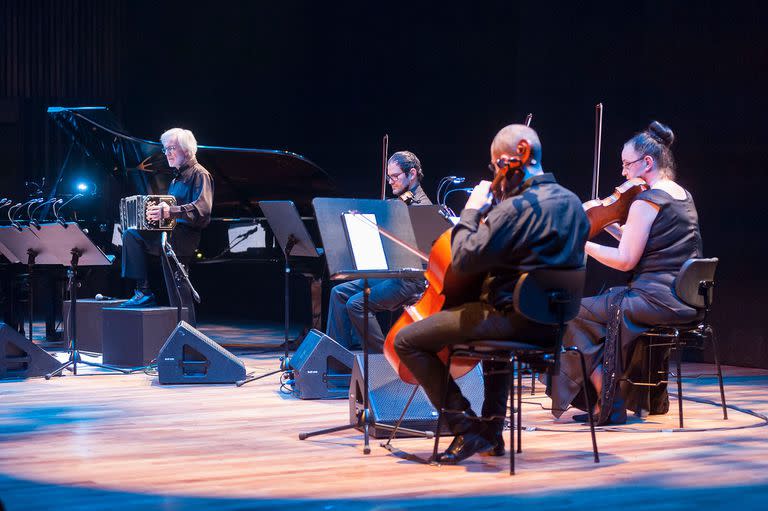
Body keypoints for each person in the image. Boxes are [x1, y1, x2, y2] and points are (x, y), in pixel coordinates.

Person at [393, 124, 589, 463]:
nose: (497, 176)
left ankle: (464, 427)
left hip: (511, 322)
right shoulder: (573, 204)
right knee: (488, 306)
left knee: (406, 340)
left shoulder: (514, 208)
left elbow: (465, 258)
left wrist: (472, 210)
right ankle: (492, 430)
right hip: (554, 326)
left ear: (519, 155)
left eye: (497, 165)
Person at [548, 121, 704, 425]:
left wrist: (584, 243)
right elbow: (648, 245)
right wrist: (607, 224)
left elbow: (625, 260)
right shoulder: (681, 195)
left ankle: (610, 401)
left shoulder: (647, 200)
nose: (623, 173)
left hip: (654, 299)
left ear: (647, 162)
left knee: (572, 314)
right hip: (682, 297)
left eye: (626, 165)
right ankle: (617, 397)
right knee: (597, 312)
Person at [325, 150, 431, 353]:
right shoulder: (400, 203)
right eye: (388, 177)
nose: (391, 181)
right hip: (391, 275)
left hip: (410, 281)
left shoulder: (422, 206)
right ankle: (337, 357)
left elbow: (418, 256)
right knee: (337, 293)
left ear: (412, 174)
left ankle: (381, 360)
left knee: (356, 304)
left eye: (395, 176)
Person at [119, 128, 214, 326]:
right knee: (132, 234)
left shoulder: (200, 174)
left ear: (187, 150)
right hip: (169, 235)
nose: (168, 153)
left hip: (184, 239)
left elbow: (203, 210)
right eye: (165, 149)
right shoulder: (175, 178)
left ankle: (189, 337)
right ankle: (143, 291)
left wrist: (170, 211)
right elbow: (169, 213)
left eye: (172, 148)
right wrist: (154, 217)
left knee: (179, 291)